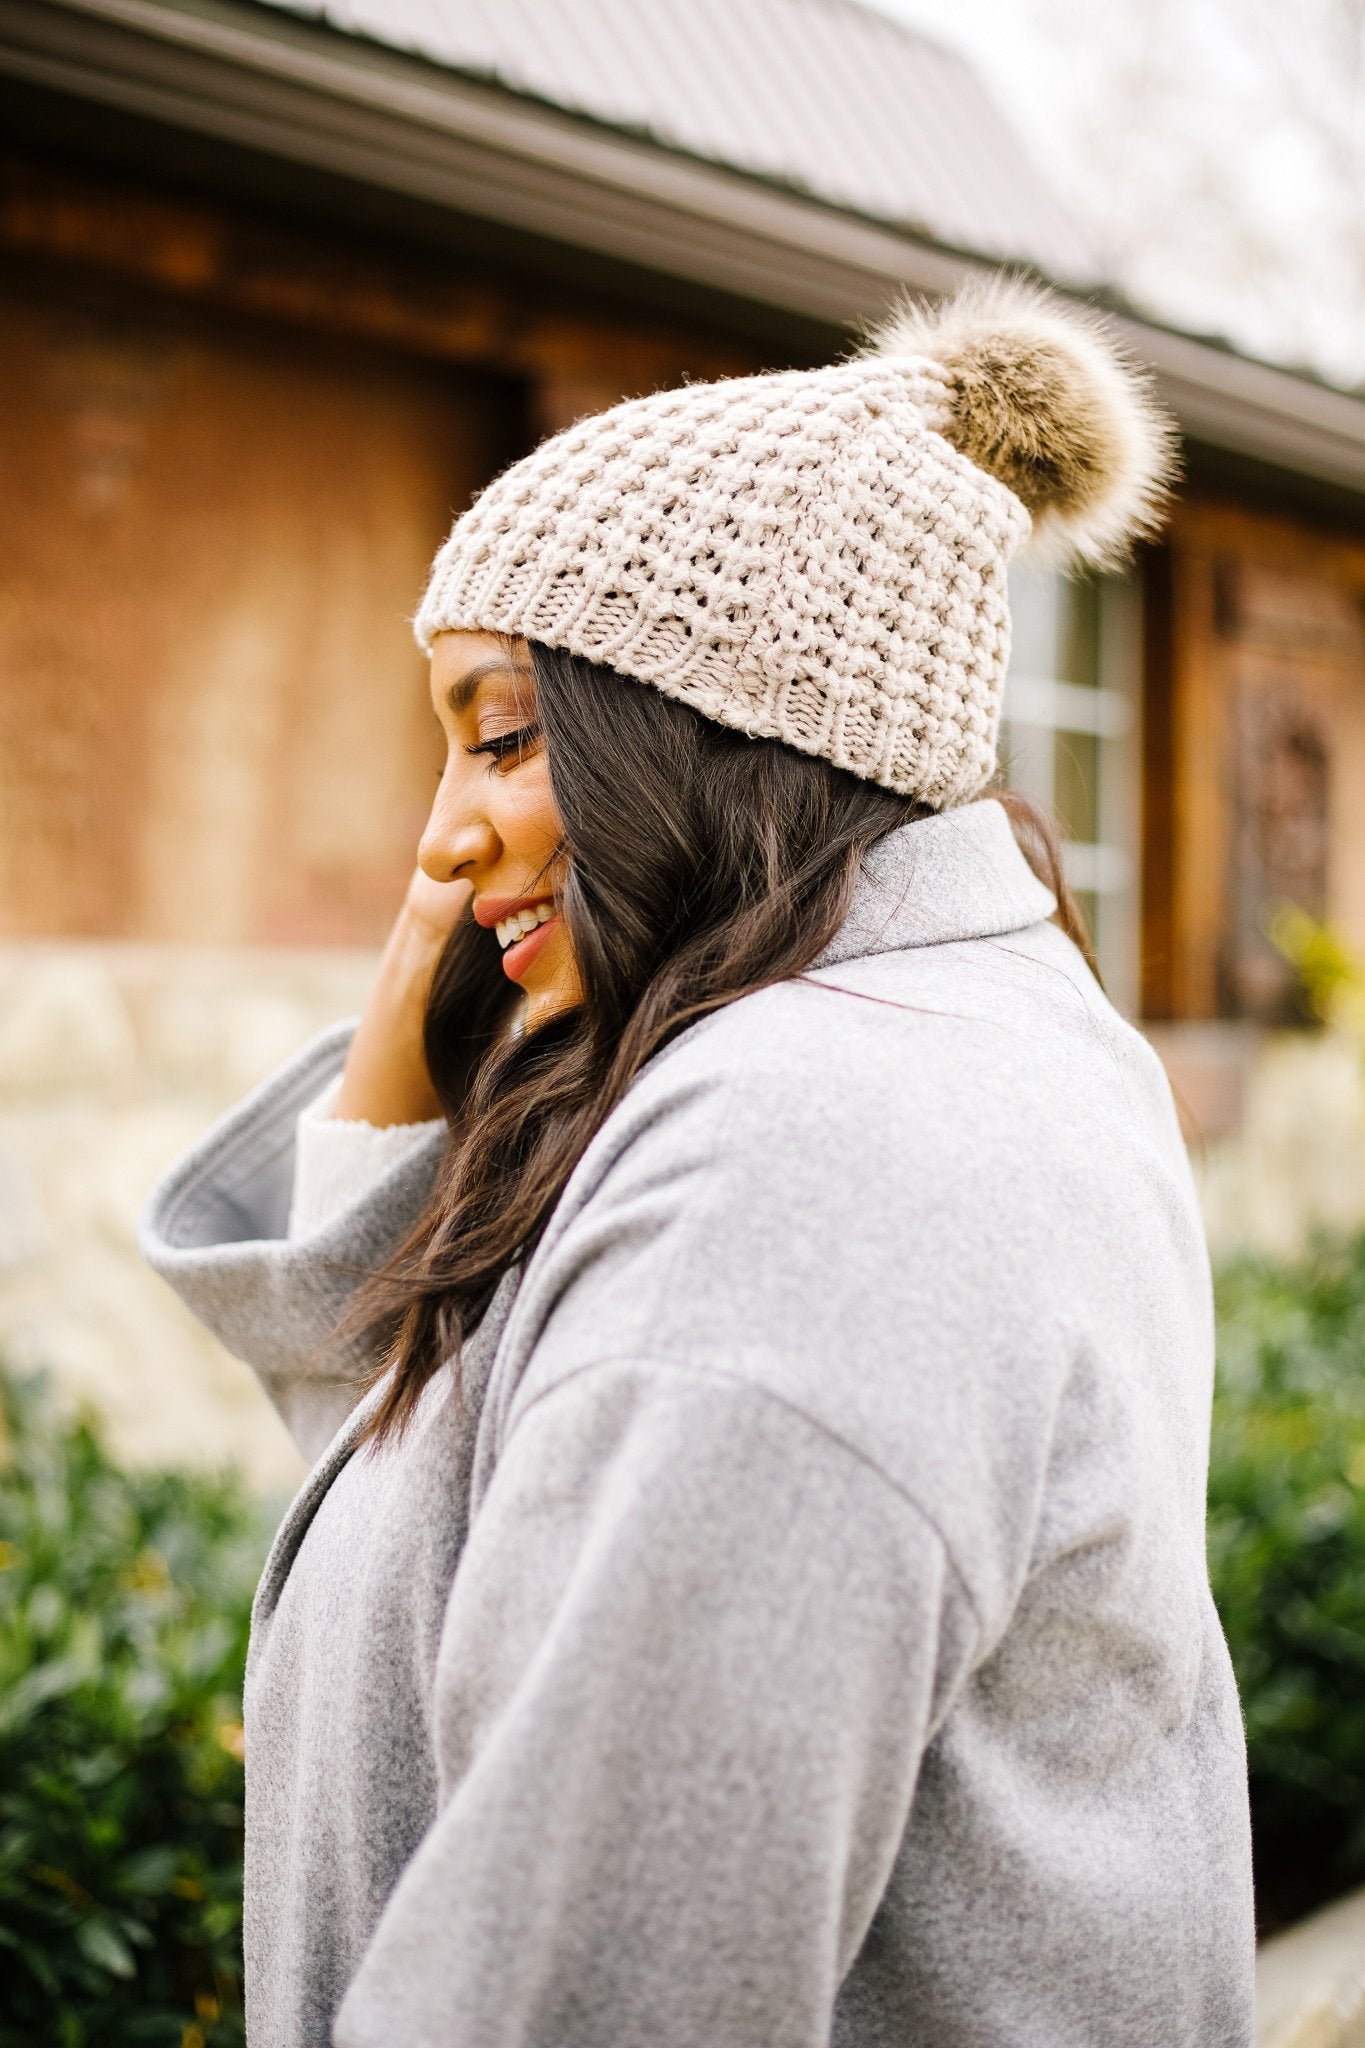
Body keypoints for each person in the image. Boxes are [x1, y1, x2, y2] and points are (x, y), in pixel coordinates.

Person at [141, 277, 1255, 2048]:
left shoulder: (811, 1166)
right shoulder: (891, 1043)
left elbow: (590, 1993)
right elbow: (444, 1496)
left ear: (717, 719)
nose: (436, 839)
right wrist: (417, 1041)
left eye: (503, 732)